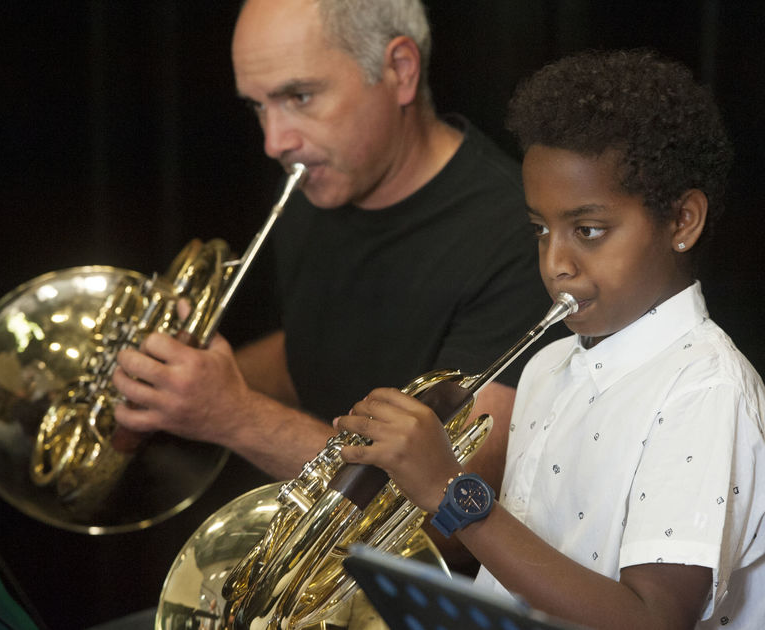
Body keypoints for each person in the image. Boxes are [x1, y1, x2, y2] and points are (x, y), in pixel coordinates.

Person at [334, 49, 765, 630]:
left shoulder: (704, 391)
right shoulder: (549, 367)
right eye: (540, 229)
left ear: (682, 221)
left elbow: (653, 620)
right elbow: (526, 572)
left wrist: (452, 491)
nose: (555, 262)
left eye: (588, 230)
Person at [112, 0, 555, 508]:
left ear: (400, 71)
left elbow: (458, 504)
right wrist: (165, 382)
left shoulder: (520, 239)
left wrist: (232, 413)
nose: (274, 141)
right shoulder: (318, 188)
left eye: (300, 96)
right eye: (258, 106)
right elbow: (318, 348)